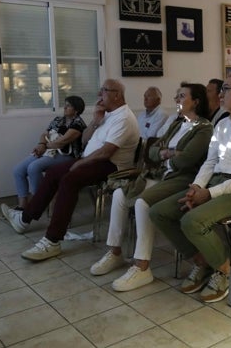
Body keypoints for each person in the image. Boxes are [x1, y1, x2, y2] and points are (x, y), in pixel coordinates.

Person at [150, 72, 231, 303]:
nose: (220, 94)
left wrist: (208, 193)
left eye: (226, 89)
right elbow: (211, 162)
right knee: (159, 212)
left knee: (192, 221)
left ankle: (227, 271)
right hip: (215, 184)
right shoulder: (222, 125)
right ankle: (203, 262)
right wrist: (196, 186)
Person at [90, 83, 213, 291]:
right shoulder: (177, 123)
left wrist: (168, 155)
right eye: (177, 95)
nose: (177, 100)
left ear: (196, 101)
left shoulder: (204, 128)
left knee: (142, 202)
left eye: (182, 96)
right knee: (120, 193)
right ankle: (115, 252)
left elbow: (187, 161)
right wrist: (169, 154)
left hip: (182, 179)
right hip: (160, 173)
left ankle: (142, 266)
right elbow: (153, 151)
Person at [0, 79, 140, 261]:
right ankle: (24, 219)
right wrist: (95, 122)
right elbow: (84, 141)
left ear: (117, 95)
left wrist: (80, 163)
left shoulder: (124, 118)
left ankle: (52, 241)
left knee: (69, 179)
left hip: (113, 166)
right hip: (91, 159)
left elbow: (106, 152)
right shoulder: (107, 114)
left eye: (103, 91)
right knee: (53, 173)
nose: (99, 95)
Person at [11, 96, 86, 209]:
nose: (64, 107)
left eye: (68, 105)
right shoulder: (58, 120)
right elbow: (44, 134)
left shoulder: (78, 123)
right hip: (49, 151)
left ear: (76, 110)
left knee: (33, 167)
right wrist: (41, 145)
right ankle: (23, 206)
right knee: (18, 170)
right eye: (65, 104)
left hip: (67, 156)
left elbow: (62, 142)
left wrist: (45, 145)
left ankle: (39, 201)